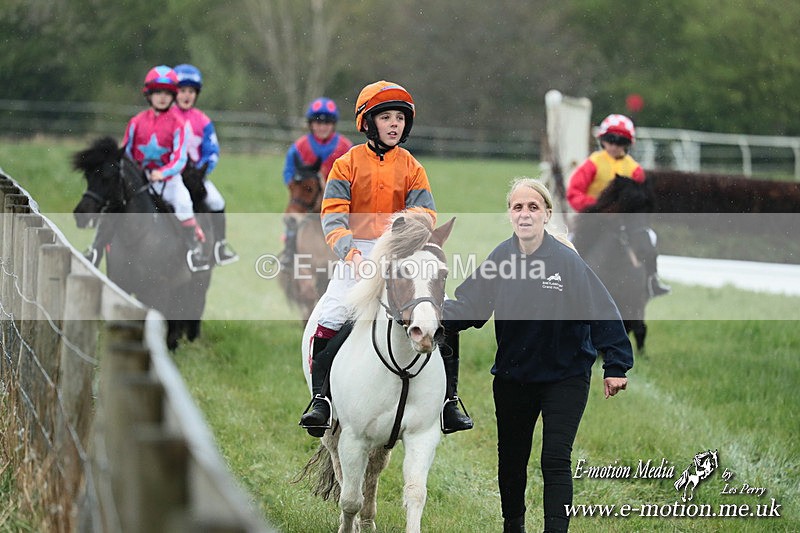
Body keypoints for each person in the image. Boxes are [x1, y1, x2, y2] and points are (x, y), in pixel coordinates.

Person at [443, 178, 634, 533]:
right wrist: (429, 312)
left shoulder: (567, 262)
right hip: (514, 377)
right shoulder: (501, 257)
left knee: (555, 459)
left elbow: (602, 309)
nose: (525, 214)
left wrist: (615, 364)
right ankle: (513, 526)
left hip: (566, 375)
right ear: (510, 215)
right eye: (518, 207)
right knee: (512, 460)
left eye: (533, 207)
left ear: (546, 214)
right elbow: (471, 306)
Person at [298, 80, 472, 437]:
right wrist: (352, 252)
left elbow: (426, 212)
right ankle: (321, 400)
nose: (395, 124)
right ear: (367, 122)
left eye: (400, 118)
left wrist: (400, 234)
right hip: (357, 256)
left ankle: (449, 402)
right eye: (386, 117)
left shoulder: (412, 167)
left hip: (400, 250)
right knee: (331, 314)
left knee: (442, 314)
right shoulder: (346, 165)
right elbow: (332, 215)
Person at [566, 113, 671, 297]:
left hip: (624, 222)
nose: (614, 146)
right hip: (593, 219)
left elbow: (641, 200)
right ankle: (566, 281)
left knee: (650, 238)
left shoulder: (635, 170)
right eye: (610, 140)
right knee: (571, 242)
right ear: (603, 140)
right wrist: (597, 208)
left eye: (620, 141)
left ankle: (651, 279)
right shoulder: (593, 164)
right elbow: (574, 192)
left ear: (628, 144)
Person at [121, 65, 208, 272]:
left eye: (167, 93)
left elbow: (180, 158)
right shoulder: (136, 122)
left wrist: (164, 173)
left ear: (173, 96)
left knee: (184, 203)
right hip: (140, 180)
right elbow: (126, 152)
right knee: (114, 202)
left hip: (168, 181)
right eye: (157, 92)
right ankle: (97, 247)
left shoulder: (179, 124)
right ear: (149, 95)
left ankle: (192, 251)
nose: (162, 97)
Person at [172, 63, 239, 266]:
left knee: (218, 202)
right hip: (171, 176)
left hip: (196, 178)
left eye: (191, 91)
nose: (186, 95)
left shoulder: (203, 121)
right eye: (182, 90)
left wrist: (201, 170)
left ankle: (219, 246)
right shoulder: (167, 117)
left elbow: (212, 152)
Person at [281, 97, 353, 261]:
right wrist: (296, 187)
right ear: (311, 124)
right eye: (318, 122)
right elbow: (288, 172)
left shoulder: (345, 147)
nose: (322, 126)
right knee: (293, 219)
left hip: (338, 199)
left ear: (333, 124)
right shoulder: (299, 146)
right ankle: (289, 251)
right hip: (306, 198)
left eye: (327, 122)